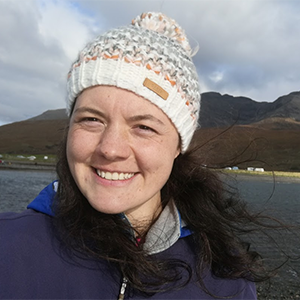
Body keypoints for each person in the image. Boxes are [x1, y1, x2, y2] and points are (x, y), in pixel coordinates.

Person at [0, 12, 266, 299]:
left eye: (143, 127)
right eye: (91, 119)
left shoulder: (226, 281)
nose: (110, 149)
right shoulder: (7, 245)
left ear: (179, 146)